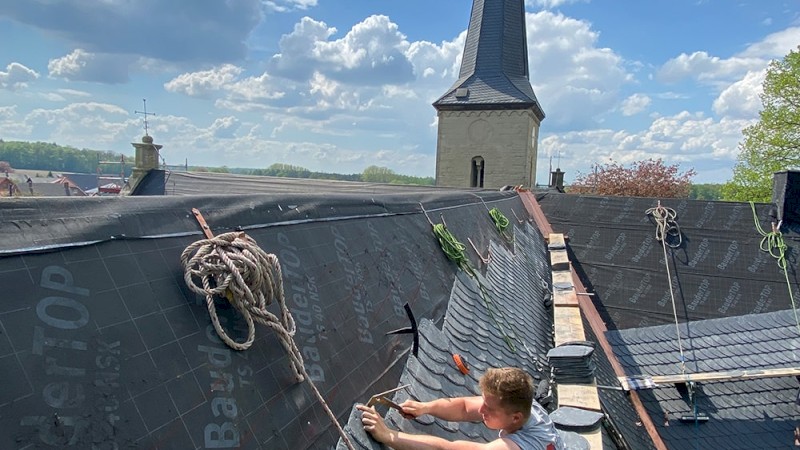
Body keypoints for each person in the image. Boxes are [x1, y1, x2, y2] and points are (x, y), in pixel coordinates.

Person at [358, 367, 564, 450]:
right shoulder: (524, 403)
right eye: (483, 401)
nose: (481, 410)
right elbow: (465, 408)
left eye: (489, 408)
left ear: (516, 418)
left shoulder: (516, 447)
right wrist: (425, 408)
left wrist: (389, 436)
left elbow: (446, 449)